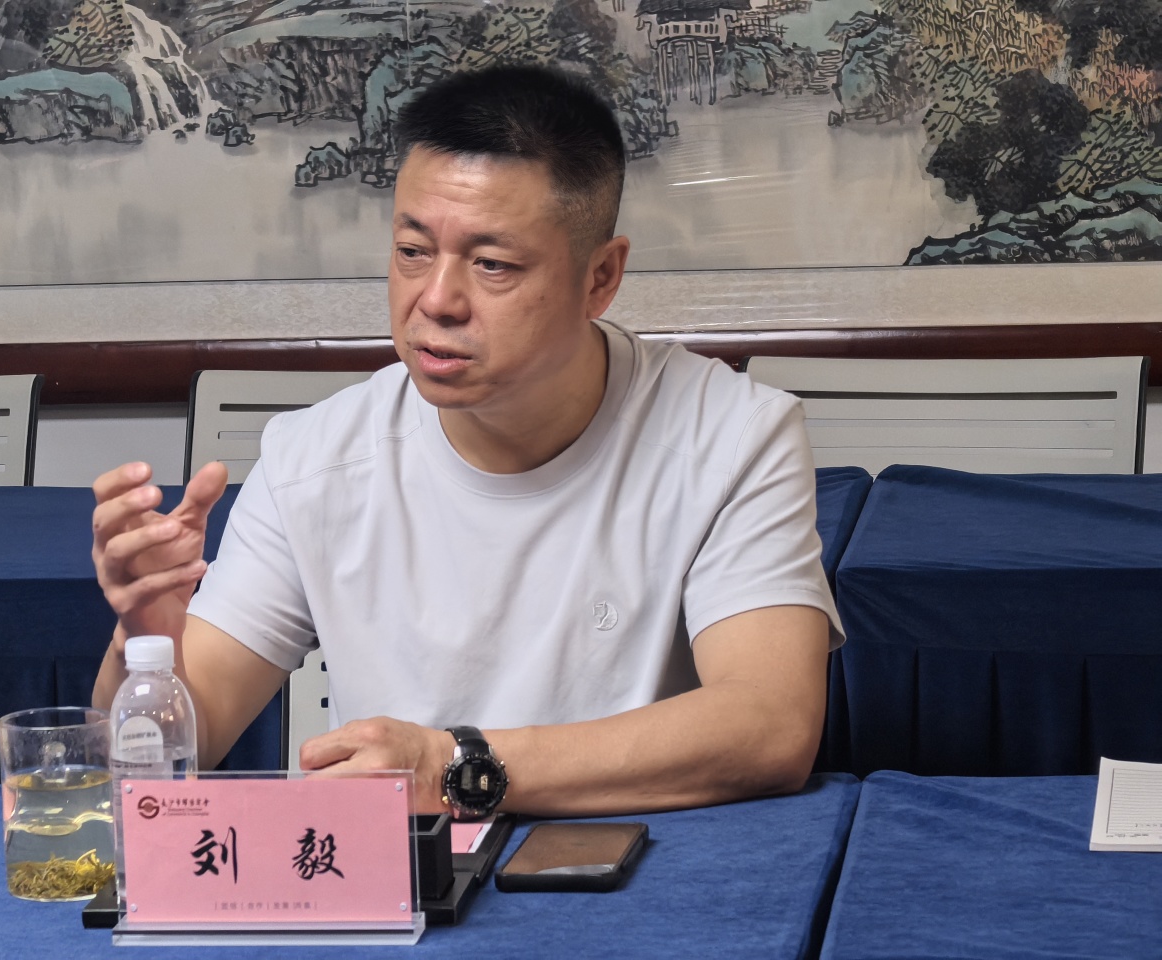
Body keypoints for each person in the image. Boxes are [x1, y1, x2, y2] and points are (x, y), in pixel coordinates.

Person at [92, 64, 842, 818]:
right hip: (408, 884)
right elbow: (172, 752)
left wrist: (454, 767)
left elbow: (770, 726)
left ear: (600, 277)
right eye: (412, 251)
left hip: (644, 871)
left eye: (492, 265)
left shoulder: (734, 436)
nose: (437, 300)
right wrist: (144, 648)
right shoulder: (314, 459)